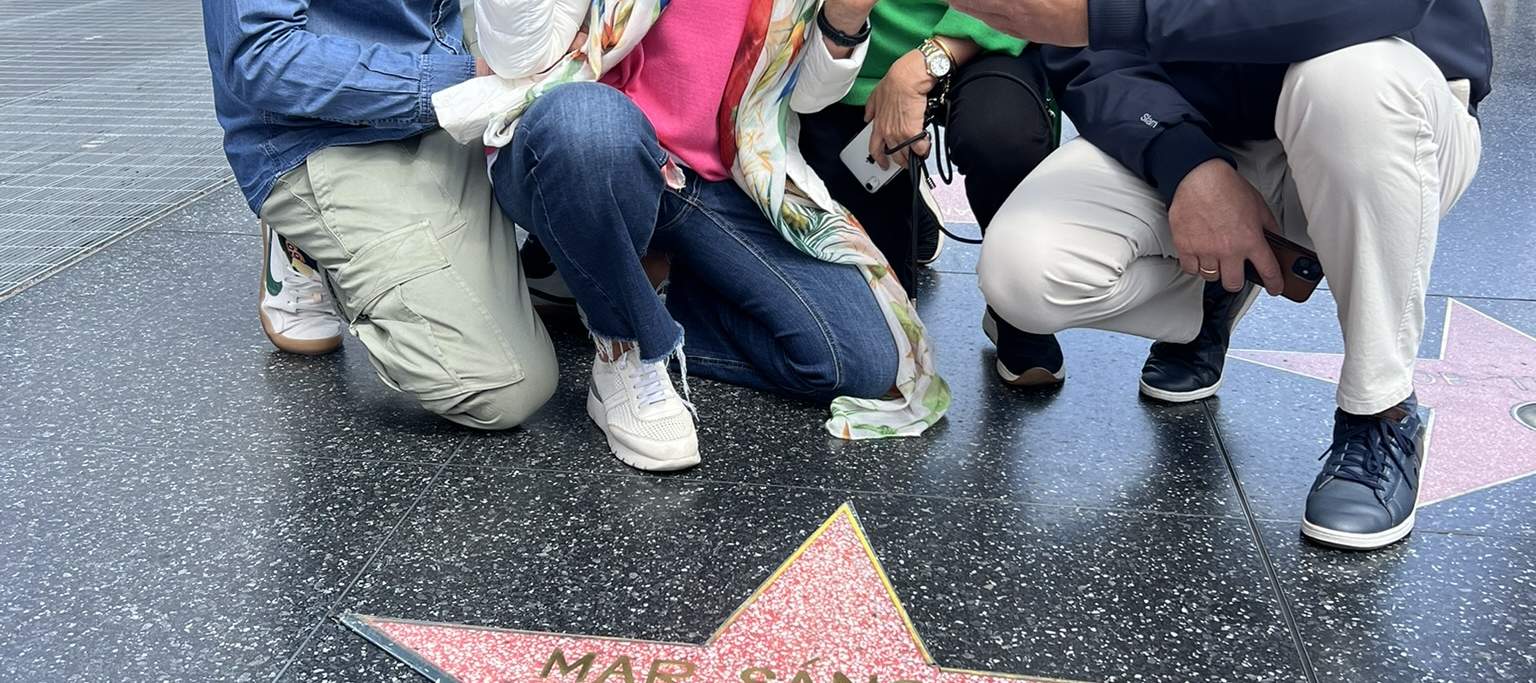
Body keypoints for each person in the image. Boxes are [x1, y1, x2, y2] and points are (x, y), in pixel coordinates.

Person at [964, 0, 1491, 550]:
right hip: (1204, 120)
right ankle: (1219, 283)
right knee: (1022, 272)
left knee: (1347, 80)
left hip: (1388, 117)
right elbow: (1084, 52)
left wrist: (1117, 15)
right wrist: (1186, 162)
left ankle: (1381, 410)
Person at [436, 0, 950, 472]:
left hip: (712, 174)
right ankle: (626, 346)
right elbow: (519, 56)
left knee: (861, 362)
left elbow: (808, 94)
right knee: (588, 124)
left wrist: (844, 16)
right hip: (580, 150)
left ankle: (638, 293)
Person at [202, 0, 559, 430]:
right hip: (324, 130)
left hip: (448, 59)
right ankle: (304, 241)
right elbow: (260, 58)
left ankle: (554, 255)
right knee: (501, 387)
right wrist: (471, 80)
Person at [795, 2, 1061, 387]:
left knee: (1001, 138)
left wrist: (924, 63)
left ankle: (1015, 302)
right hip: (853, 45)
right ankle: (911, 208)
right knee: (875, 335)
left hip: (993, 27)